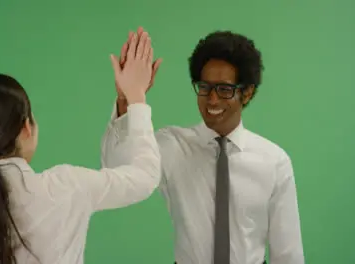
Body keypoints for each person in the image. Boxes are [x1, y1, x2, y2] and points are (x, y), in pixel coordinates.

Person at [0, 31, 161, 264]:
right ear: (26, 127)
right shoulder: (67, 187)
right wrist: (135, 96)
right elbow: (144, 177)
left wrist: (125, 103)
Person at [101, 28, 305, 264]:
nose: (213, 99)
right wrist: (127, 99)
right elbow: (117, 169)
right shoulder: (172, 146)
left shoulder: (274, 161)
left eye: (225, 89)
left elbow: (288, 254)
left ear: (247, 93)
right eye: (205, 87)